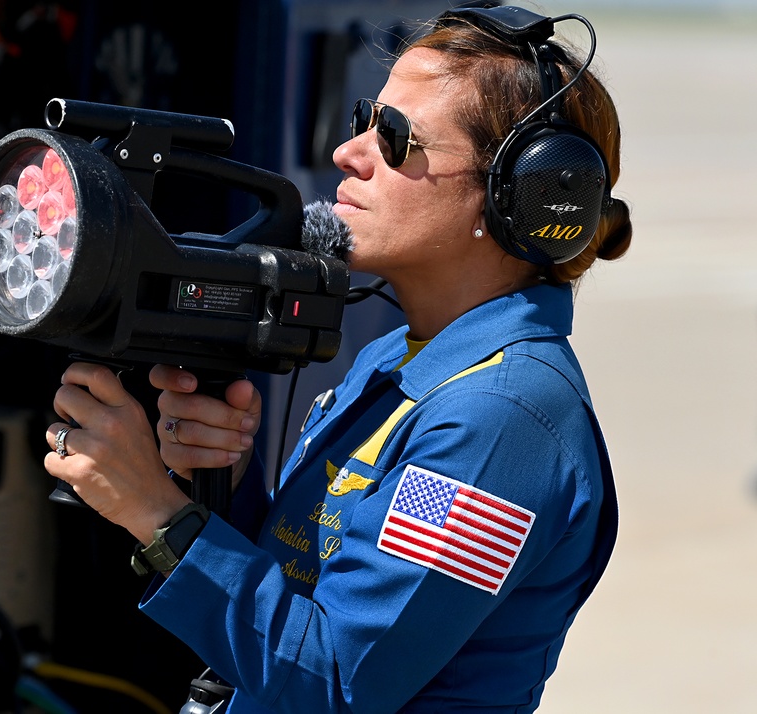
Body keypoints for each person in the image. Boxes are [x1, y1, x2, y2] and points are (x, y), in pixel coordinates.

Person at [44, 5, 632, 712]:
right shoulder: (404, 356)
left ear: (518, 198)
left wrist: (157, 513)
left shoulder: (498, 420)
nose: (348, 154)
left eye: (395, 138)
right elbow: (307, 581)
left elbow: (332, 682)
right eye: (363, 119)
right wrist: (225, 483)